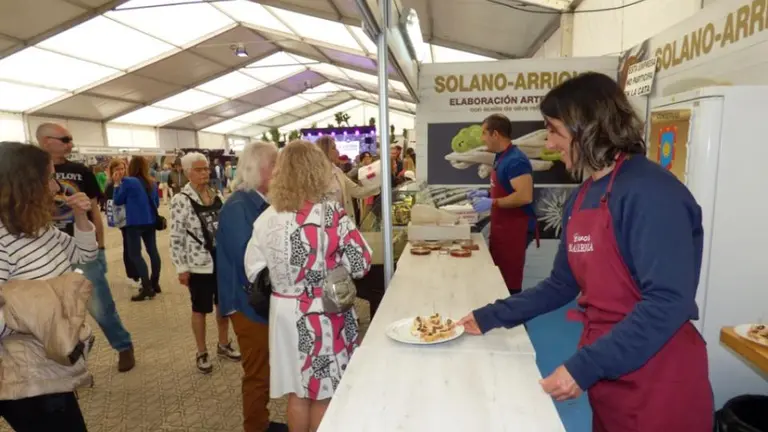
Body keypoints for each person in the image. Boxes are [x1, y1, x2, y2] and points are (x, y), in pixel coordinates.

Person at [458, 72, 714, 431]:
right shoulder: (581, 197)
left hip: (658, 376)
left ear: (589, 128)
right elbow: (561, 284)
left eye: (555, 131)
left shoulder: (652, 193)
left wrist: (586, 366)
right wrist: (490, 316)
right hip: (608, 370)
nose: (550, 143)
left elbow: (668, 302)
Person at [245, 140, 372, 432]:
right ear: (317, 172)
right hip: (322, 313)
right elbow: (361, 263)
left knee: (297, 392)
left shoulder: (266, 218)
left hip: (283, 314)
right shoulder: (331, 216)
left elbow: (253, 268)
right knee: (323, 394)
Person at [0, 141, 97, 430]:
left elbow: (85, 254)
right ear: (25, 184)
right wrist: (41, 313)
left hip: (50, 364)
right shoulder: (3, 241)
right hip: (26, 375)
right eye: (49, 177)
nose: (56, 187)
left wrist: (81, 216)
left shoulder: (38, 228)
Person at [37, 123, 136, 372]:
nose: (71, 143)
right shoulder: (32, 172)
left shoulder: (80, 171)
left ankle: (123, 345)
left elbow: (93, 208)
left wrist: (100, 245)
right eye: (65, 139)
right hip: (46, 250)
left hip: (82, 245)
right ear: (46, 141)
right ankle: (71, 361)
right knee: (59, 310)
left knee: (99, 304)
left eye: (71, 139)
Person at [216, 142, 285, 432]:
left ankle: (260, 421)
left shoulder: (258, 201)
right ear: (260, 170)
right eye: (276, 165)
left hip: (257, 300)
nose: (281, 171)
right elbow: (250, 262)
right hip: (246, 304)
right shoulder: (238, 206)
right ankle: (255, 426)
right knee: (257, 372)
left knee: (263, 368)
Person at [170, 152, 241, 374]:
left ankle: (223, 343)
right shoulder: (180, 200)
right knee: (200, 309)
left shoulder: (216, 194)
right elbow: (176, 236)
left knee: (224, 306)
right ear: (188, 171)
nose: (205, 173)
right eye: (199, 169)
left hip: (221, 261)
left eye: (206, 169)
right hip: (198, 264)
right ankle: (201, 352)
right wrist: (181, 268)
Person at [467, 114, 536, 294]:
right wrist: (487, 193)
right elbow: (506, 188)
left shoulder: (516, 160)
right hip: (502, 227)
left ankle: (513, 319)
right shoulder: (501, 157)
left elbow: (524, 196)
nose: (482, 138)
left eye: (484, 133)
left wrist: (492, 202)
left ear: (495, 134)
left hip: (515, 230)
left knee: (509, 283)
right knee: (499, 278)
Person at [113, 156, 163, 302]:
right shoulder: (152, 182)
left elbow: (117, 201)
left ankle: (147, 288)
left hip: (134, 223)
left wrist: (116, 185)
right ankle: (155, 283)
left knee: (135, 255)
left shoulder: (128, 181)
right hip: (150, 222)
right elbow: (156, 203)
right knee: (153, 251)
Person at [316, 136, 379, 224]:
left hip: (342, 223)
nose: (337, 151)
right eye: (333, 148)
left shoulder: (338, 172)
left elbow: (357, 191)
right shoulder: (315, 175)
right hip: (324, 225)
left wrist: (379, 183)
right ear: (324, 151)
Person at [104, 159, 142, 291]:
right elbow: (112, 202)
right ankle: (132, 275)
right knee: (128, 247)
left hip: (133, 218)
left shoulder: (129, 182)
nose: (120, 171)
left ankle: (137, 273)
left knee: (134, 247)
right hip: (122, 220)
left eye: (122, 168)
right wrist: (116, 186)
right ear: (112, 171)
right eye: (117, 169)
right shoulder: (111, 185)